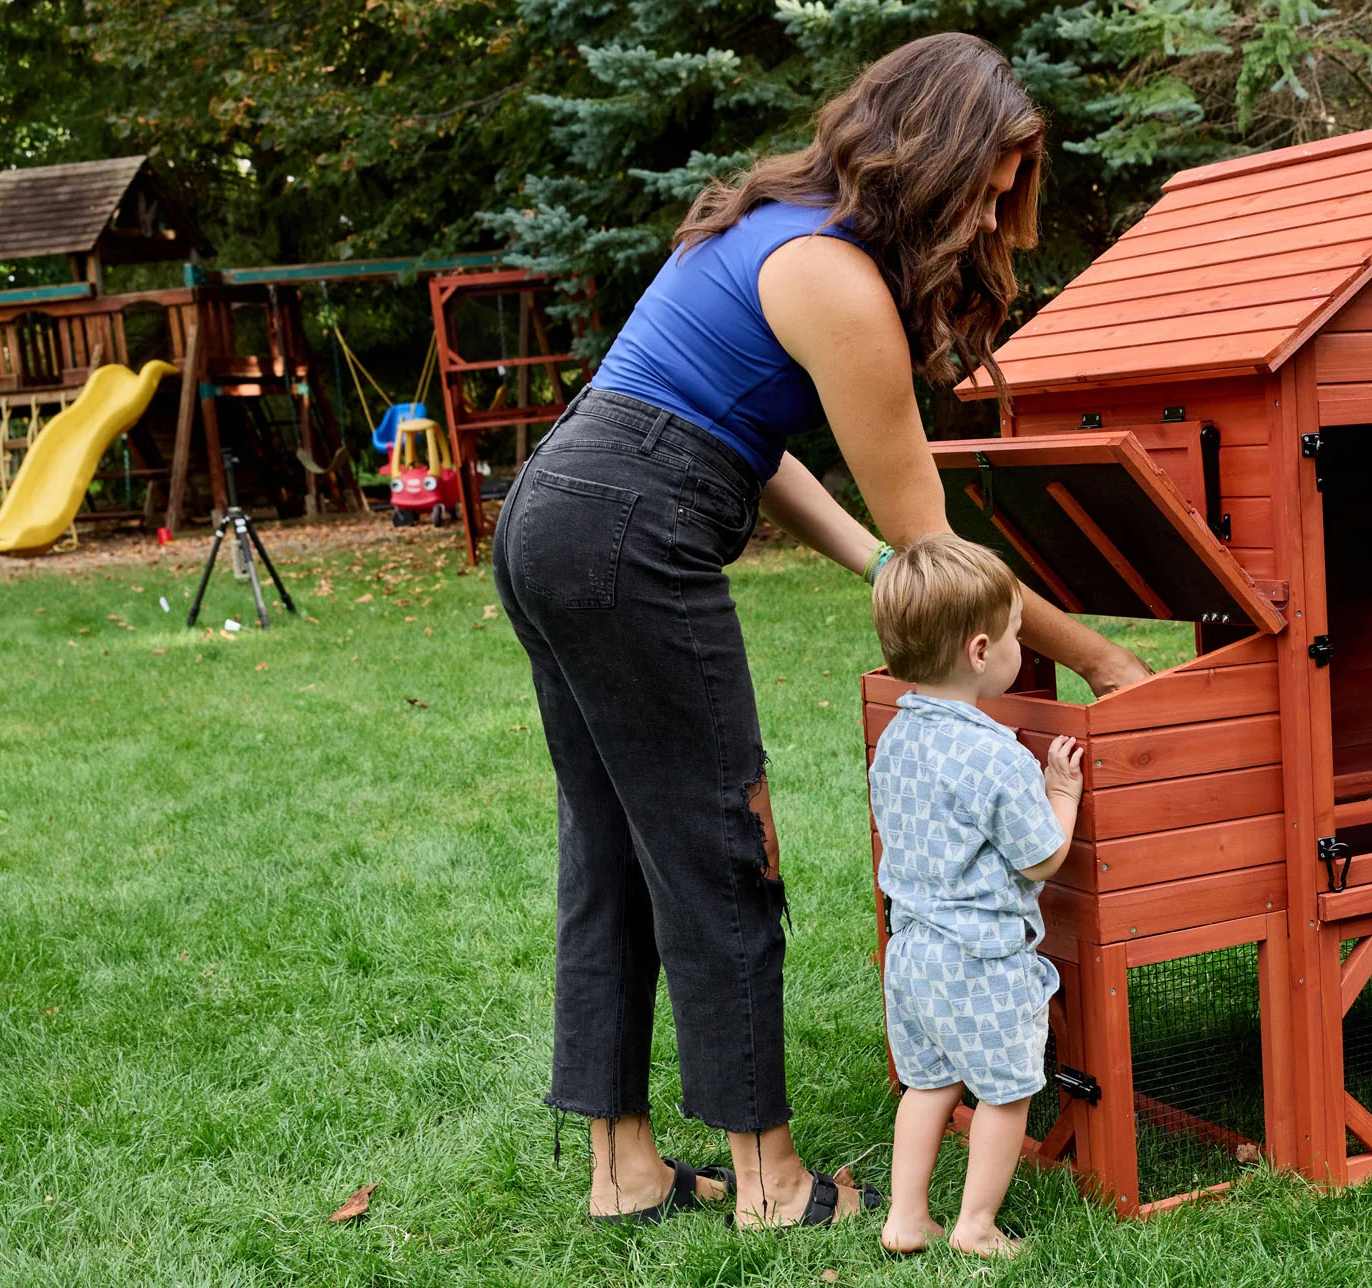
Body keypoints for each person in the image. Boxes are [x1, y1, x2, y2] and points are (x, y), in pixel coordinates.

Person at [490, 32, 1147, 1228]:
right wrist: (1099, 656)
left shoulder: (768, 225)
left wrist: (865, 559)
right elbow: (940, 557)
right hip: (631, 532)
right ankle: (769, 1183)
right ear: (940, 157)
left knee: (612, 853)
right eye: (994, 178)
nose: (1002, 206)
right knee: (726, 847)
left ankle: (625, 1171)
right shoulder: (841, 283)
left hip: (554, 515)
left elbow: (751, 437)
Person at [863, 535, 1081, 1257]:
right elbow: (1044, 856)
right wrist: (1060, 791)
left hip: (913, 953)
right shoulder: (996, 756)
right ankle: (976, 1225)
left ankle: (905, 1217)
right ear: (982, 651)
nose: (1023, 648)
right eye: (1020, 635)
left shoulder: (894, 737)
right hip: (982, 961)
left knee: (928, 1087)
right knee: (1004, 1091)